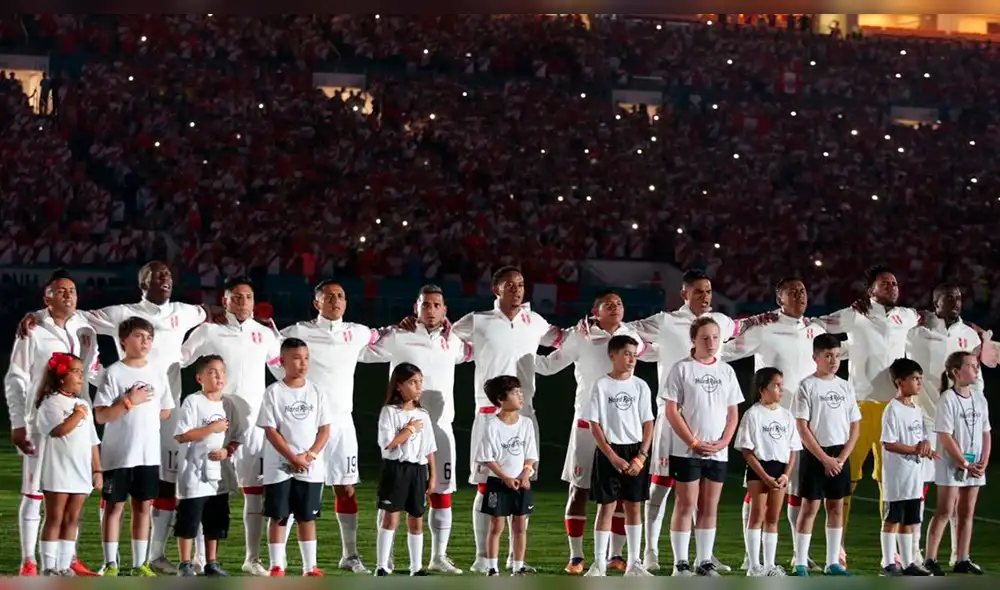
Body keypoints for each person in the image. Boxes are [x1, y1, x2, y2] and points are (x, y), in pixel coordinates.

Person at [19, 261, 216, 575]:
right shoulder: (122, 313)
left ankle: (158, 556)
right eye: (155, 274)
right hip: (123, 426)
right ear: (142, 283)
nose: (164, 278)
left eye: (167, 274)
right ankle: (99, 560)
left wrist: (232, 311)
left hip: (167, 413)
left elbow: (211, 311)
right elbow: (76, 314)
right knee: (113, 496)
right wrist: (37, 316)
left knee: (168, 485)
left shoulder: (186, 311)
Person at [447, 266, 565, 573]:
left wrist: (589, 328)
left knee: (521, 487)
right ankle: (482, 559)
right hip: (488, 413)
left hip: (525, 413)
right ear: (496, 289)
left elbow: (561, 339)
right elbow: (445, 337)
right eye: (510, 285)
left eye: (522, 284)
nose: (517, 289)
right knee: (486, 486)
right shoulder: (478, 320)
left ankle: (517, 561)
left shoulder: (535, 321)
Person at [534, 291, 653, 574]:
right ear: (595, 311)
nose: (615, 307)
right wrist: (514, 358)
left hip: (625, 432)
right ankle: (576, 556)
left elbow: (661, 347)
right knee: (579, 489)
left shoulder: (631, 335)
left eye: (620, 303)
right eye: (608, 305)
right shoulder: (581, 335)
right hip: (588, 427)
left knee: (624, 493)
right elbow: (550, 366)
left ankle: (617, 555)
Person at [633, 270, 742, 573]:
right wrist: (645, 351)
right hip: (673, 420)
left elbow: (744, 326)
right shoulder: (666, 321)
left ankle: (703, 556)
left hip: (710, 425)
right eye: (698, 292)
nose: (705, 297)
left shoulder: (719, 322)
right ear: (684, 294)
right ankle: (651, 550)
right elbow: (629, 332)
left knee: (703, 497)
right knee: (663, 486)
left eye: (708, 291)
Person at [277, 280, 387, 574]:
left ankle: (349, 555)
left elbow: (386, 336)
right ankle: (280, 559)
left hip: (342, 423)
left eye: (340, 295)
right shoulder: (299, 332)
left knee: (346, 488)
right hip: (306, 424)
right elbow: (270, 352)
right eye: (329, 297)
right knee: (296, 489)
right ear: (317, 303)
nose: (335, 300)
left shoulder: (358, 332)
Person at [814, 265, 920, 565]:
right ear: (870, 290)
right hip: (860, 406)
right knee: (847, 479)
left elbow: (930, 319)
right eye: (885, 283)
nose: (892, 286)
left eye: (895, 282)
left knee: (893, 482)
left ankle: (896, 552)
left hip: (895, 409)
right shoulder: (854, 313)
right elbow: (815, 325)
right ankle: (837, 548)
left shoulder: (907, 316)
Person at [723, 277, 827, 572]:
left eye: (803, 290)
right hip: (770, 420)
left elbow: (834, 355)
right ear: (779, 299)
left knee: (796, 489)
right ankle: (751, 556)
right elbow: (729, 351)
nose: (800, 295)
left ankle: (799, 553)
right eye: (792, 292)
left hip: (806, 423)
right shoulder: (765, 327)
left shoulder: (815, 330)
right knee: (757, 490)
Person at [180, 277, 282, 576]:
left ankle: (251, 558)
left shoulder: (263, 334)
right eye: (236, 297)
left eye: (248, 297)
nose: (243, 302)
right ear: (225, 301)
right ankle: (201, 558)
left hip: (251, 424)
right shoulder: (209, 330)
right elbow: (180, 358)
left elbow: (281, 370)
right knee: (205, 490)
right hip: (213, 423)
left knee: (254, 490)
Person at [366, 285, 471, 574]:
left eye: (437, 305)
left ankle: (438, 556)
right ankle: (384, 560)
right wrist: (386, 329)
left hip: (440, 427)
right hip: (403, 426)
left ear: (445, 310)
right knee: (392, 498)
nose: (431, 310)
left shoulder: (455, 341)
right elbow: (364, 349)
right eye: (426, 305)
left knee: (441, 491)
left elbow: (478, 351)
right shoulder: (400, 335)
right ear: (416, 308)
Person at [5, 271, 101, 576]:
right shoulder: (33, 329)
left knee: (76, 490)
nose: (68, 295)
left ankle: (68, 558)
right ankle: (29, 561)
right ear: (46, 297)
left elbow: (94, 368)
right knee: (34, 492)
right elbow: (16, 378)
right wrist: (18, 422)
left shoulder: (85, 326)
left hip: (79, 420)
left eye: (72, 291)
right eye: (60, 291)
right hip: (42, 422)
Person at [905, 284, 985, 564]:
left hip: (960, 426)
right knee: (920, 490)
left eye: (959, 297)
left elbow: (977, 379)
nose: (955, 302)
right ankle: (913, 552)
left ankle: (958, 556)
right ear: (934, 302)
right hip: (926, 422)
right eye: (948, 297)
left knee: (960, 496)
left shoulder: (969, 334)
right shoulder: (917, 332)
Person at [93, 317, 174, 577]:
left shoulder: (157, 371)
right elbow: (102, 415)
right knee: (114, 507)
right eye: (139, 336)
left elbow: (166, 409)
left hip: (148, 454)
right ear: (123, 340)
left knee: (143, 507)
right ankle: (110, 563)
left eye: (149, 337)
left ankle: (140, 564)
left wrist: (145, 423)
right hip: (118, 455)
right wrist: (129, 402)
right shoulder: (114, 372)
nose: (145, 342)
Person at [663, 317, 742, 577]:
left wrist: (724, 441)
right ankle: (681, 564)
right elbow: (672, 411)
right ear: (694, 340)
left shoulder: (726, 372)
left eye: (716, 338)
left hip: (718, 451)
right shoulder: (681, 369)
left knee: (709, 507)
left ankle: (704, 562)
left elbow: (733, 413)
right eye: (705, 338)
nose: (711, 343)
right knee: (686, 505)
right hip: (687, 451)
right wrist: (693, 442)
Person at [581, 335, 654, 577]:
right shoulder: (601, 385)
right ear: (612, 355)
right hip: (610, 452)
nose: (632, 358)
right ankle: (599, 564)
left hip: (635, 452)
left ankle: (634, 564)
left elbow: (648, 423)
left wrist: (641, 457)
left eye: (634, 354)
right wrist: (612, 457)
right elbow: (595, 424)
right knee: (606, 508)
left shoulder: (641, 385)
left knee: (634, 507)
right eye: (626, 353)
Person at [257, 338, 330, 577]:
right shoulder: (274, 392)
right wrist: (292, 456)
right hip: (279, 465)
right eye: (297, 358)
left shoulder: (317, 392)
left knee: (306, 517)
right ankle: (277, 566)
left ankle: (310, 567)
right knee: (279, 515)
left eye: (306, 357)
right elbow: (270, 430)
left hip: (310, 465)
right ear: (283, 361)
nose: (303, 363)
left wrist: (308, 455)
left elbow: (324, 429)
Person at [790, 333, 860, 577]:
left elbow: (855, 426)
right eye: (828, 355)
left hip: (840, 455)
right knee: (810, 508)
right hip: (816, 455)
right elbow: (802, 427)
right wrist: (824, 458)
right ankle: (800, 562)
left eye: (837, 355)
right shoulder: (806, 385)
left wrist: (841, 458)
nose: (833, 360)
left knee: (837, 508)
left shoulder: (845, 386)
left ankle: (833, 563)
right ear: (815, 357)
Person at [172, 355, 241, 577]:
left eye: (221, 371)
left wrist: (227, 451)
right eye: (212, 372)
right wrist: (212, 428)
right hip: (193, 471)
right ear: (200, 377)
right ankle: (185, 563)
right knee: (189, 518)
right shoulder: (193, 401)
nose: (218, 376)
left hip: (218, 473)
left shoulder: (228, 404)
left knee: (216, 519)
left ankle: (212, 562)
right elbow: (182, 435)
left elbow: (237, 436)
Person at [923, 351, 990, 576]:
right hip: (952, 464)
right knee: (945, 510)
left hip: (974, 465)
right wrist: (962, 461)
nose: (976, 370)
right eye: (971, 366)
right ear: (956, 372)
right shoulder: (947, 399)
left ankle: (962, 558)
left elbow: (986, 432)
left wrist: (984, 461)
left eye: (976, 366)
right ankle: (930, 558)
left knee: (967, 512)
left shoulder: (979, 398)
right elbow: (944, 435)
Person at [34, 353, 101, 576]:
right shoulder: (50, 403)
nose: (81, 377)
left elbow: (92, 441)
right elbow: (57, 430)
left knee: (73, 517)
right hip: (58, 469)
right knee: (55, 516)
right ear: (62, 376)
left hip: (80, 470)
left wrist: (97, 469)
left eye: (82, 372)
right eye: (76, 372)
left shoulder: (82, 404)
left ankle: (64, 566)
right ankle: (49, 566)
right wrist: (76, 415)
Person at [735, 367, 801, 577]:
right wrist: (765, 476)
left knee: (773, 518)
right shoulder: (753, 414)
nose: (781, 390)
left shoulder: (786, 415)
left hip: (780, 472)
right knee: (757, 515)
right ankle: (754, 566)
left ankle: (769, 565)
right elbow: (747, 450)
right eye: (776, 385)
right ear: (763, 389)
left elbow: (793, 449)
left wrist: (785, 475)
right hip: (760, 470)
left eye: (782, 385)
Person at [373, 363, 437, 577]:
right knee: (390, 518)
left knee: (416, 519)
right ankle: (382, 566)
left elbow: (429, 449)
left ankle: (416, 567)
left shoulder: (423, 415)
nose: (418, 386)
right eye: (412, 382)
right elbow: (388, 443)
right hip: (396, 469)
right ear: (399, 385)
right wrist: (409, 429)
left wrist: (433, 476)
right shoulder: (389, 412)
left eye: (420, 382)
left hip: (418, 471)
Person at [475, 375, 539, 577]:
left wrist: (526, 475)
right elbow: (487, 457)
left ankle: (518, 566)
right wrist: (505, 477)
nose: (520, 396)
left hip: (522, 483)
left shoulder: (526, 423)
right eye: (515, 392)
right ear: (501, 399)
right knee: (497, 526)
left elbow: (530, 455)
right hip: (499, 483)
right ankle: (492, 568)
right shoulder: (492, 425)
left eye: (520, 391)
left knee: (520, 526)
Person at [879, 358, 935, 576]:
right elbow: (888, 443)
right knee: (892, 518)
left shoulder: (916, 409)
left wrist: (927, 444)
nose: (919, 383)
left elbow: (922, 436)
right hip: (897, 475)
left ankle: (908, 562)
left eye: (920, 378)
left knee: (910, 520)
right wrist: (914, 450)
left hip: (914, 474)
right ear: (900, 382)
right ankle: (887, 562)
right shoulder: (892, 409)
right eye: (914, 378)